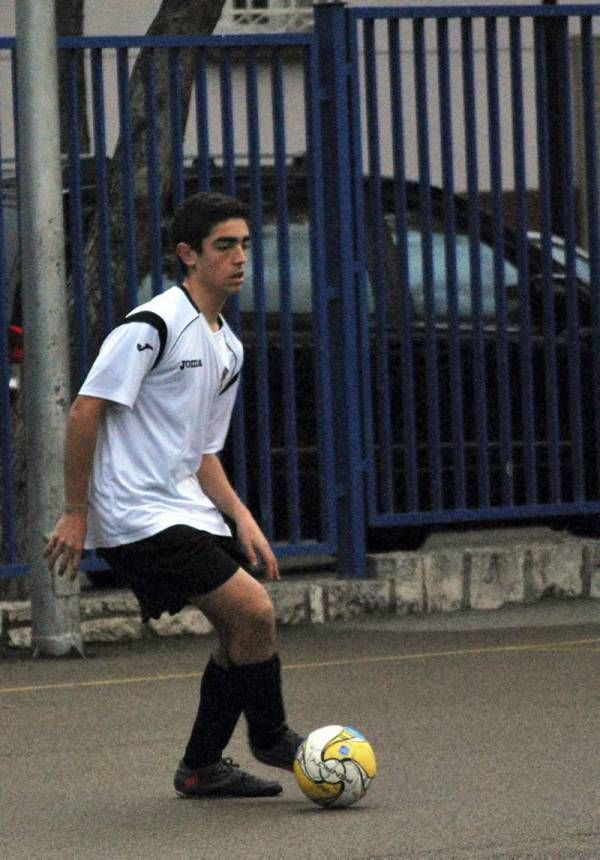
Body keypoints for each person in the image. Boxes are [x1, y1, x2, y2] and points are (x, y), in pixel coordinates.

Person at [44, 191, 303, 799]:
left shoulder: (228, 346)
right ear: (188, 254)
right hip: (136, 515)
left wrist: (242, 518)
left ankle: (201, 768)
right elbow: (85, 411)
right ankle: (269, 736)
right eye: (224, 246)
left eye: (244, 244)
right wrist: (76, 513)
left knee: (246, 633)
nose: (239, 257)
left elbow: (202, 453)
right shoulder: (152, 325)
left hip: (183, 508)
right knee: (254, 611)